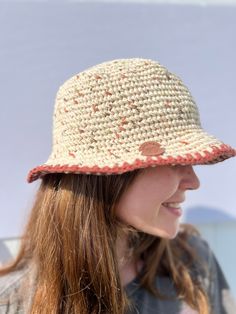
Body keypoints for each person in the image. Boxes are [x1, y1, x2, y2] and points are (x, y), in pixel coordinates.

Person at [0, 58, 235, 314]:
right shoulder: (13, 303)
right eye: (177, 161)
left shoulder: (193, 264)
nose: (194, 182)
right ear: (107, 176)